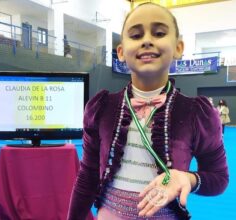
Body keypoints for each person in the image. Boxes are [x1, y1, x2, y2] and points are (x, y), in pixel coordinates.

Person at [67, 3, 229, 220]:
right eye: (135, 35)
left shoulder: (195, 113)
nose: (146, 40)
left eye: (159, 33)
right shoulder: (101, 109)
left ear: (178, 47)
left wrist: (187, 178)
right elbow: (87, 176)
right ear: (122, 52)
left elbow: (219, 178)